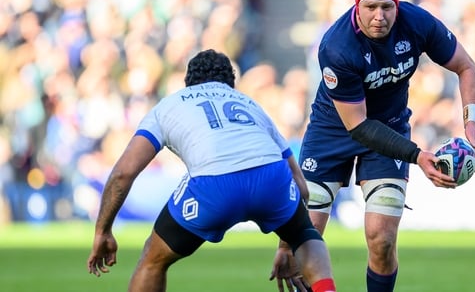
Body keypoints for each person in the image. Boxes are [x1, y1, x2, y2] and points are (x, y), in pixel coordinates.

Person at [271, 0, 475, 292]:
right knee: (305, 237)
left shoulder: (418, 23)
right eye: (370, 6)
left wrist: (471, 121)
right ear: (357, 5)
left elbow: (467, 67)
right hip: (333, 131)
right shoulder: (337, 46)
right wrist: (417, 156)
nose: (379, 16)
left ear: (397, 6)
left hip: (390, 128)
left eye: (387, 7)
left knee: (382, 239)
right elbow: (357, 126)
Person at [86, 49, 337, 292]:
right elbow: (301, 187)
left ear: (188, 83)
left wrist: (102, 231)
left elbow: (123, 173)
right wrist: (287, 245)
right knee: (306, 235)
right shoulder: (250, 104)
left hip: (215, 185)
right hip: (270, 177)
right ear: (231, 84)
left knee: (153, 260)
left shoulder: (168, 105)